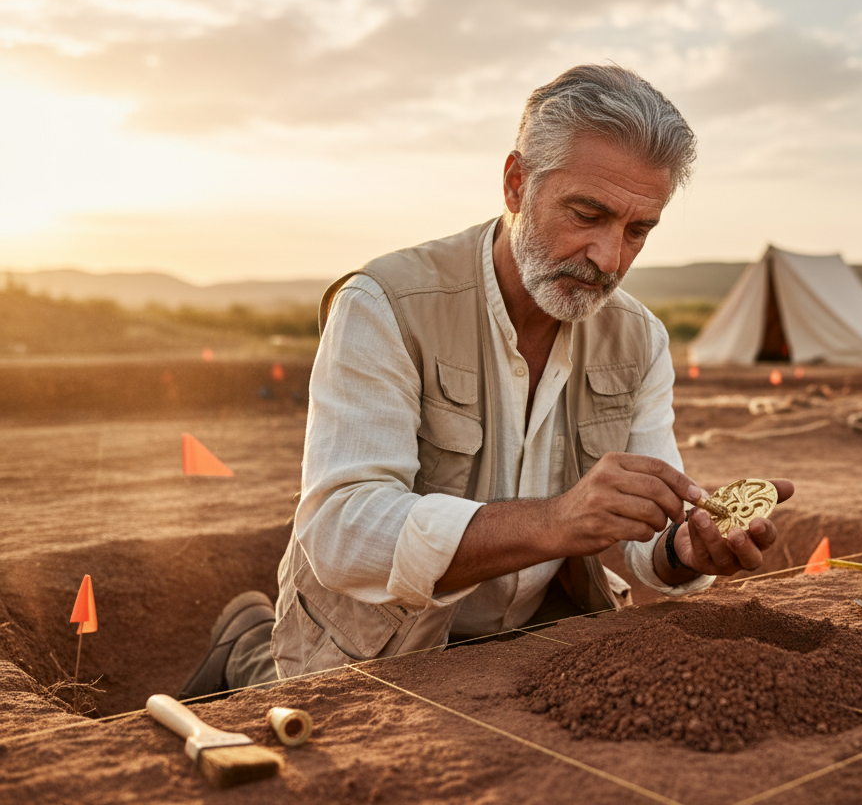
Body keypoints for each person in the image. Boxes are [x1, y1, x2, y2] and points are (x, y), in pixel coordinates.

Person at [178, 64, 793, 699]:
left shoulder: (641, 340)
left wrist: (682, 552)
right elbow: (341, 529)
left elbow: (646, 536)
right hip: (378, 644)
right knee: (308, 712)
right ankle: (247, 644)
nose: (609, 259)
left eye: (638, 231)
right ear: (516, 183)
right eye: (588, 214)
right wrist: (554, 521)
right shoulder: (384, 304)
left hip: (533, 640)